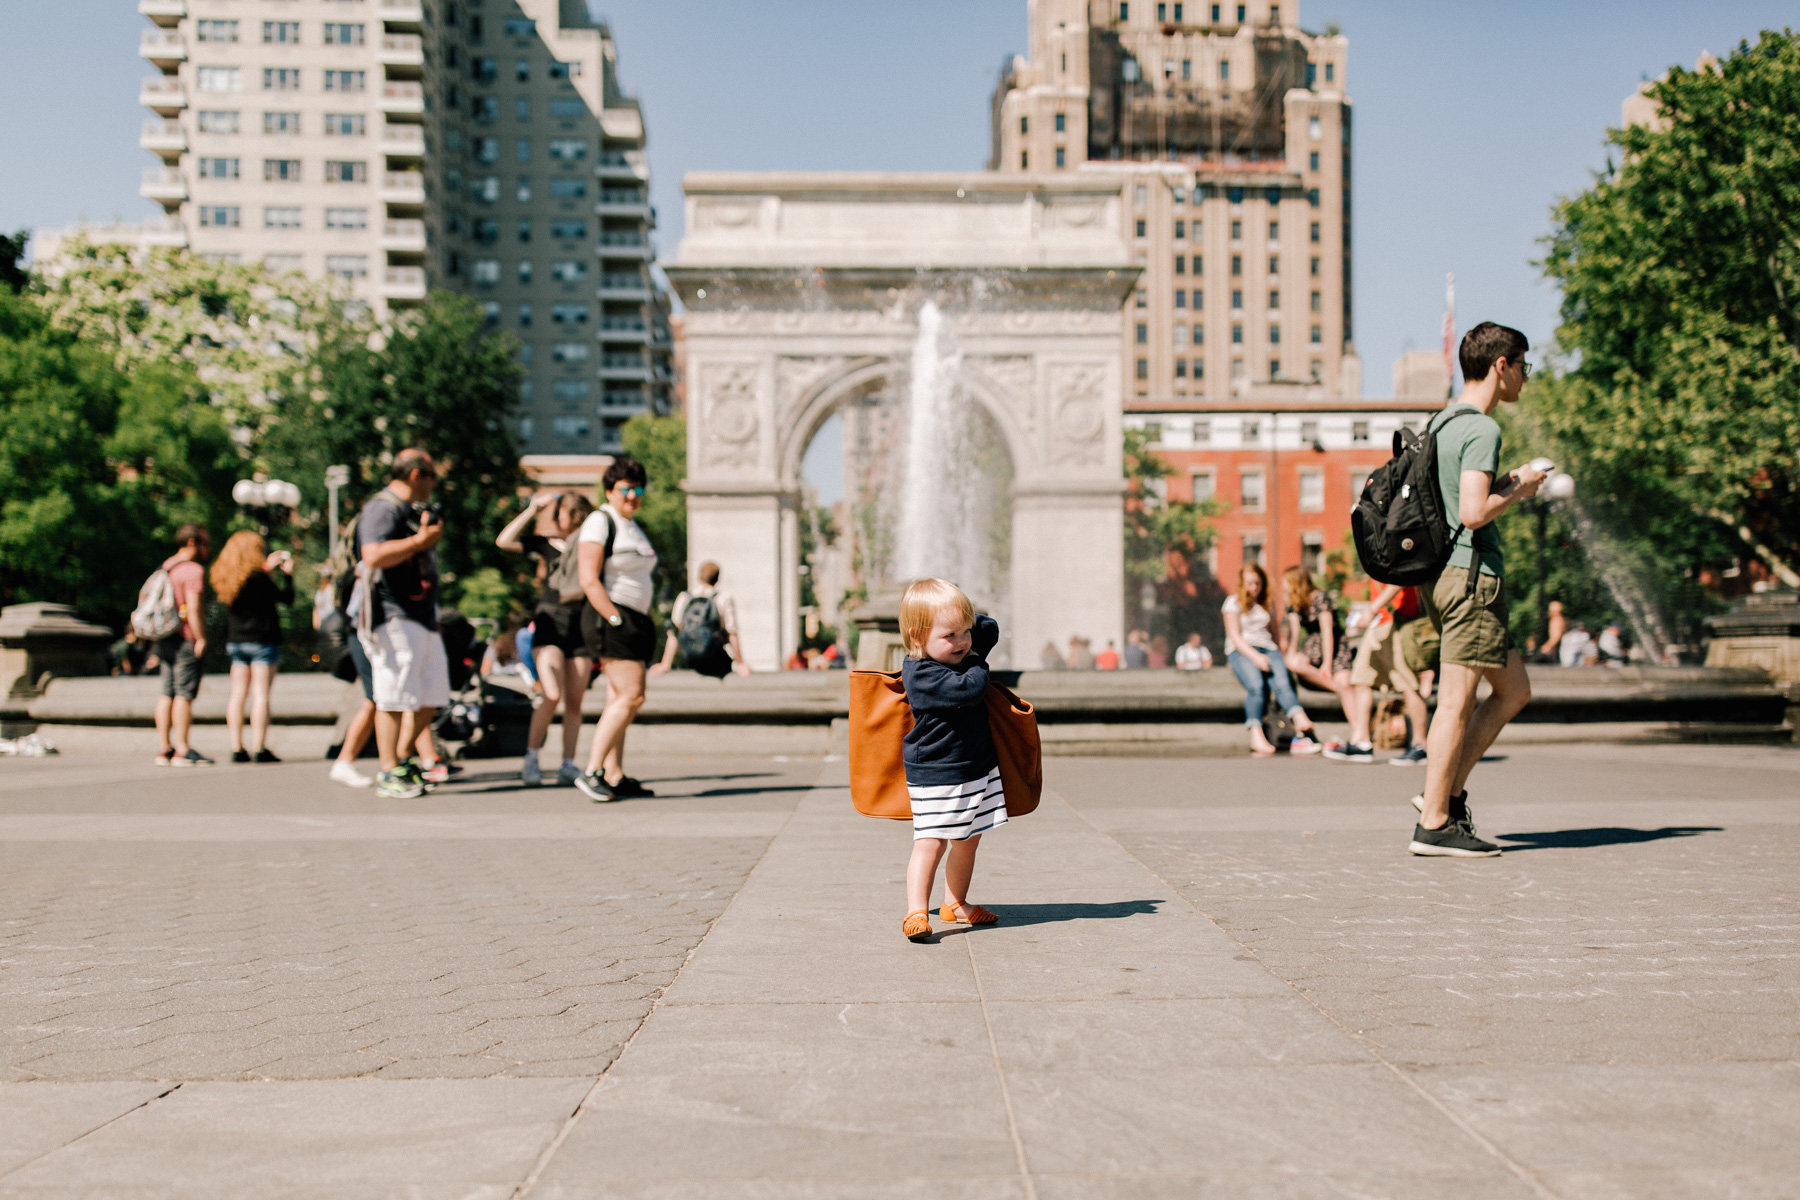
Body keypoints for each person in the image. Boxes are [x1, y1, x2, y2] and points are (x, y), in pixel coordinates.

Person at [1410, 322, 1547, 857]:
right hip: (1471, 580)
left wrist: (1504, 484)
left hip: (1440, 577)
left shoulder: (1442, 421)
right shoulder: (1482, 429)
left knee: (1514, 690)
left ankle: (1442, 793)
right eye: (1524, 367)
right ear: (1501, 366)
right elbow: (1472, 512)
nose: (1524, 379)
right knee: (1455, 703)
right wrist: (1522, 489)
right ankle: (1436, 822)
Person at [897, 577, 1006, 943]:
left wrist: (963, 616)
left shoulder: (959, 650)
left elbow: (988, 627)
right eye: (950, 635)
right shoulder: (921, 672)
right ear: (917, 637)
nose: (962, 642)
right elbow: (970, 689)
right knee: (931, 841)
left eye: (964, 632)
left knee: (969, 838)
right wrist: (978, 663)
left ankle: (954, 903)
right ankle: (916, 910)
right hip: (936, 771)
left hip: (975, 766)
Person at [354, 449, 450, 800]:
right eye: (432, 476)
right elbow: (373, 554)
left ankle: (403, 757)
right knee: (393, 696)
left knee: (434, 693)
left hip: (422, 615)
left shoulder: (410, 510)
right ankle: (388, 769)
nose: (434, 484)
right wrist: (419, 542)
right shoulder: (384, 506)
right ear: (416, 475)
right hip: (393, 613)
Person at [496, 490, 597, 786]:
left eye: (561, 512)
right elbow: (503, 541)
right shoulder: (545, 544)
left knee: (575, 701)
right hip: (550, 623)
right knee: (551, 694)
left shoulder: (590, 545)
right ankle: (531, 757)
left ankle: (568, 764)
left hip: (581, 623)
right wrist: (530, 510)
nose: (558, 518)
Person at [574, 455, 659, 802]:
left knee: (618, 699)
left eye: (638, 489)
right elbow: (588, 578)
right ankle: (592, 771)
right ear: (609, 491)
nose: (632, 496)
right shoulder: (600, 520)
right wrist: (615, 619)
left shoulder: (632, 526)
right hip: (611, 617)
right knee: (631, 695)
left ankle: (613, 773)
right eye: (625, 489)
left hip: (634, 619)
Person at [210, 531, 294, 763]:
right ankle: (259, 747)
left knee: (237, 695)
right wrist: (286, 575)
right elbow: (286, 599)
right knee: (261, 695)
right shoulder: (260, 577)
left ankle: (237, 747)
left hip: (236, 641)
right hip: (262, 641)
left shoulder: (227, 577)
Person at [1323, 584, 1430, 766]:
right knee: (1360, 679)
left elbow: (1399, 578)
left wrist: (1372, 609)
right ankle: (1362, 742)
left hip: (1396, 620)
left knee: (1407, 683)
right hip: (1378, 622)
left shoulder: (1398, 553)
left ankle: (1420, 745)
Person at [1223, 562, 1323, 756]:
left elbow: (1274, 633)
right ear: (1241, 583)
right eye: (1249, 583)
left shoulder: (1266, 604)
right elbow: (1234, 636)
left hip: (1268, 648)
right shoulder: (1232, 602)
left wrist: (1279, 655)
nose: (1254, 588)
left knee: (1282, 682)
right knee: (1256, 687)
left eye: (1257, 583)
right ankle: (1256, 735)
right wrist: (1256, 657)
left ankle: (1300, 718)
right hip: (1242, 650)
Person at [153, 524, 213, 767]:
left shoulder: (165, 566)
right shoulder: (192, 570)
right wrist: (200, 637)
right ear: (192, 542)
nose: (207, 549)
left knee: (166, 692)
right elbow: (193, 607)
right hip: (185, 636)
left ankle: (164, 749)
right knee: (184, 694)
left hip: (164, 637)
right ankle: (183, 750)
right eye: (205, 544)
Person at [653, 560, 752, 680]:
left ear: (699, 577)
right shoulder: (723, 598)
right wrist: (740, 663)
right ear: (717, 579)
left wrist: (665, 664)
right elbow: (731, 632)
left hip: (690, 659)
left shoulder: (685, 597)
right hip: (715, 659)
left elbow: (674, 632)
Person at [1282, 567, 1354, 725]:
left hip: (1334, 647)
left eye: (1286, 582)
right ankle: (1335, 687)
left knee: (1346, 684)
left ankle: (1360, 735)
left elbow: (1327, 631)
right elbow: (1294, 633)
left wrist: (1327, 665)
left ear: (1296, 582)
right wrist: (1289, 657)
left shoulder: (1320, 597)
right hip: (1311, 647)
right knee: (1293, 661)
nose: (1283, 586)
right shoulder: (1293, 603)